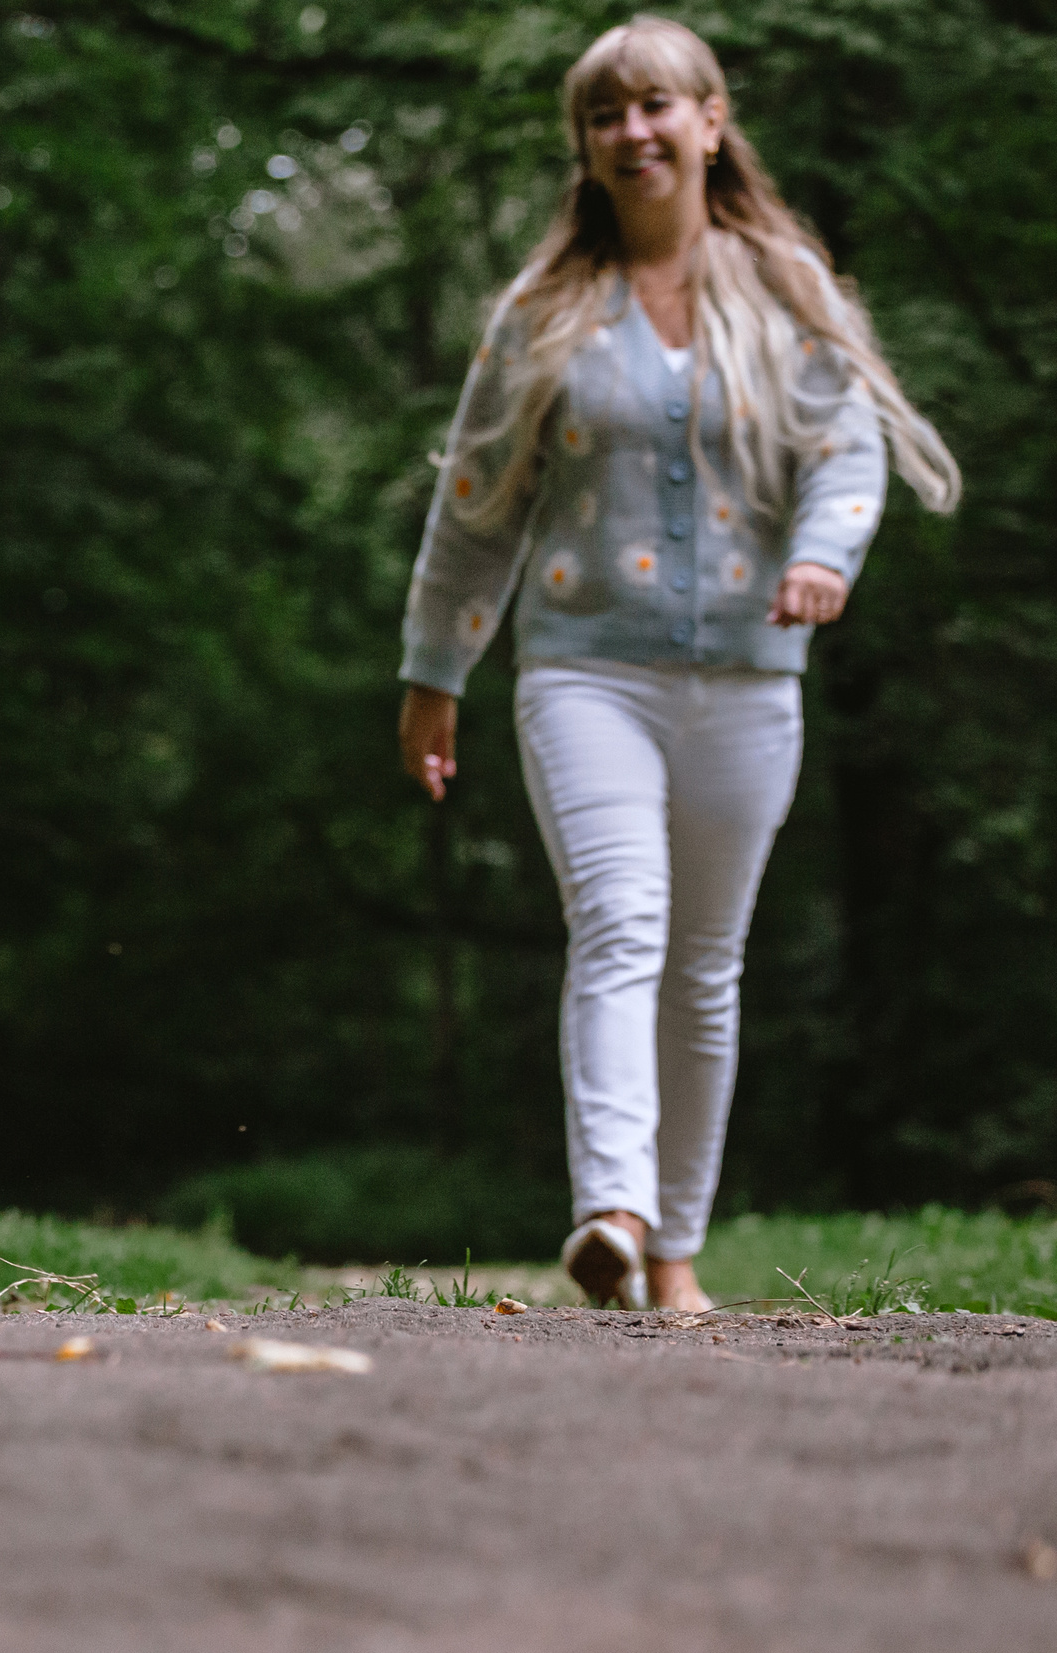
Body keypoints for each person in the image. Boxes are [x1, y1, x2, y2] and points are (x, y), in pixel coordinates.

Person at [395, 15, 958, 1311]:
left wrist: (824, 554)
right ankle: (611, 1206)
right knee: (622, 925)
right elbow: (476, 507)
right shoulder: (542, 317)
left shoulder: (789, 296)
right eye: (605, 115)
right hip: (587, 671)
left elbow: (849, 452)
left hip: (753, 682)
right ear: (585, 149)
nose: (633, 132)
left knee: (706, 968)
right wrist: (436, 674)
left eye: (657, 106)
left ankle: (676, 1256)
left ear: (712, 123)